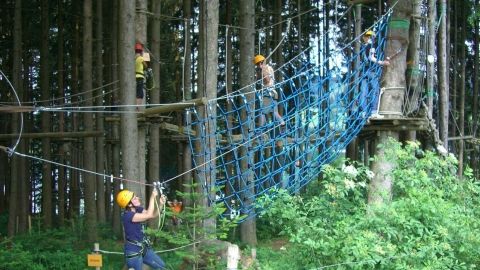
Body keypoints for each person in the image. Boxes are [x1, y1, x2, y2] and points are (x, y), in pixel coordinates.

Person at [116, 188, 166, 270]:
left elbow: (153, 215)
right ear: (129, 204)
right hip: (133, 251)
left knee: (161, 266)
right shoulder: (128, 216)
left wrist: (160, 204)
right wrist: (152, 197)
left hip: (143, 248)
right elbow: (149, 215)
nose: (138, 198)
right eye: (134, 198)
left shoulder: (137, 210)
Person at [359, 30, 390, 119]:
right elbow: (371, 57)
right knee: (375, 91)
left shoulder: (362, 47)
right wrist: (382, 62)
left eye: (370, 37)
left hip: (364, 72)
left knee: (364, 92)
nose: (369, 38)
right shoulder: (371, 46)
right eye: (368, 36)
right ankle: (374, 112)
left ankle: (363, 112)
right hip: (371, 71)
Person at [253, 54, 285, 128]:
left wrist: (262, 69)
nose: (257, 66)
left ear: (260, 63)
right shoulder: (269, 68)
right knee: (275, 112)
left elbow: (267, 80)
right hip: (273, 92)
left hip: (267, 93)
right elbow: (260, 80)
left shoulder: (265, 68)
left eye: (257, 64)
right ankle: (283, 123)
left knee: (262, 112)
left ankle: (259, 131)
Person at [135, 42, 148, 109]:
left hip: (136, 76)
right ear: (140, 51)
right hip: (140, 77)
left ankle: (138, 106)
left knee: (141, 94)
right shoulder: (140, 58)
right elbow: (146, 65)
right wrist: (144, 55)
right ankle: (137, 106)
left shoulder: (134, 58)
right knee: (139, 92)